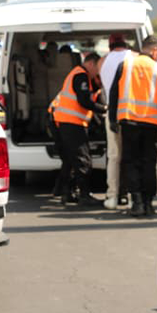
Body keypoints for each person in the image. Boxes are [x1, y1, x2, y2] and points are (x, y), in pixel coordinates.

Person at [109, 35, 157, 218]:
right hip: (151, 124)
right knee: (148, 163)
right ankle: (148, 203)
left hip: (129, 121)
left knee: (131, 162)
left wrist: (112, 119)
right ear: (154, 50)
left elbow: (114, 93)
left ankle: (137, 202)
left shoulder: (125, 65)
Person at [49, 52, 107, 206]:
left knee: (70, 160)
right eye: (99, 67)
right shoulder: (81, 75)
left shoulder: (82, 76)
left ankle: (67, 193)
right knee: (83, 160)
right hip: (72, 123)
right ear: (91, 64)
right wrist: (104, 109)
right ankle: (84, 195)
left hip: (66, 122)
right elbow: (84, 102)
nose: (99, 71)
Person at [99, 33, 132, 210]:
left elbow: (100, 84)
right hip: (130, 112)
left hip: (111, 111)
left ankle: (111, 195)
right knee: (129, 155)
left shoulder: (102, 61)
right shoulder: (132, 58)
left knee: (113, 156)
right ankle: (127, 195)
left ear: (110, 45)